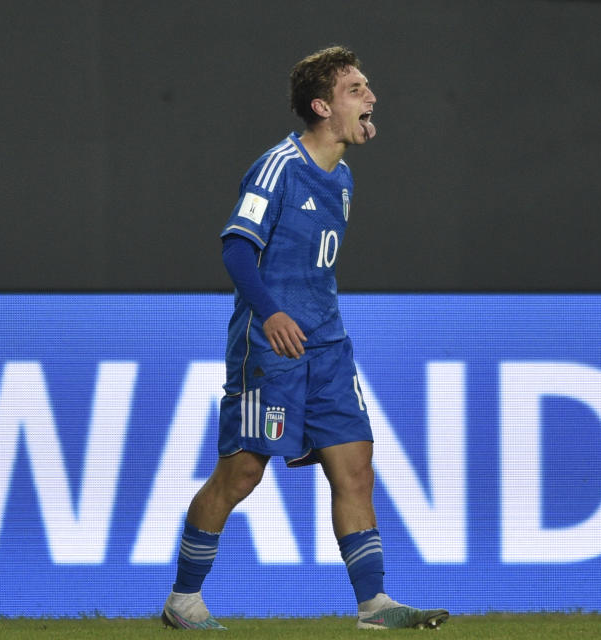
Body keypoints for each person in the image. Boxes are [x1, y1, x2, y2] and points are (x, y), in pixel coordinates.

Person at [161, 46, 449, 631]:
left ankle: (374, 606)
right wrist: (269, 315)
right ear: (322, 106)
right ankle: (183, 600)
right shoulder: (277, 167)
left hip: (328, 346)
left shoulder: (341, 177)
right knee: (241, 473)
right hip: (271, 349)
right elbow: (238, 247)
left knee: (356, 469)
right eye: (356, 90)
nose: (371, 97)